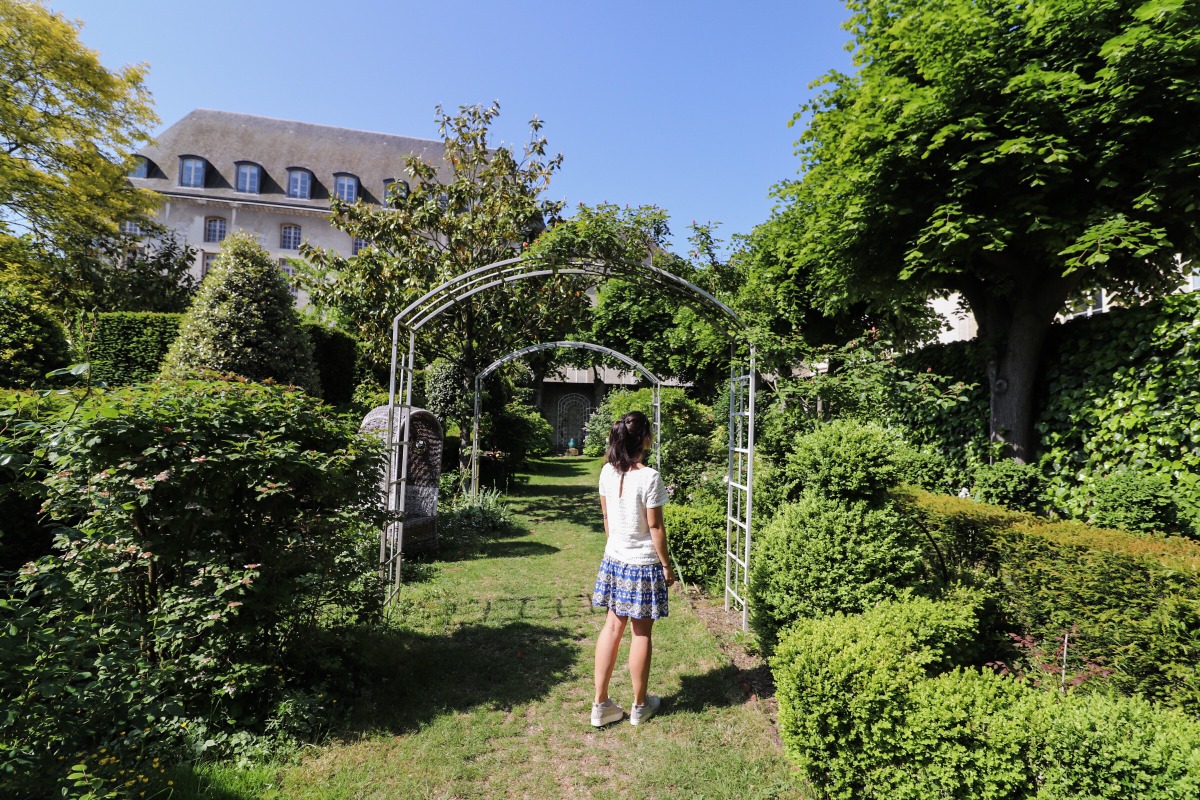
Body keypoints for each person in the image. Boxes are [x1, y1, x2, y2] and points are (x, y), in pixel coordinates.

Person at [590, 410, 674, 727]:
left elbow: (607, 519)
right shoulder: (649, 477)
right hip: (642, 564)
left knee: (612, 627)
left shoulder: (607, 473)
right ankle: (640, 707)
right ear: (645, 439)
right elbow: (655, 527)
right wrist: (666, 565)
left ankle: (601, 705)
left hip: (615, 559)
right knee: (641, 632)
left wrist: (618, 548)